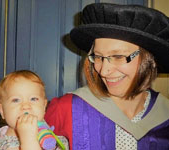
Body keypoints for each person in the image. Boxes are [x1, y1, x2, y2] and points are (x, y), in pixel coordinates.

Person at [45, 3, 169, 150]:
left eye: (118, 56)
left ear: (151, 60)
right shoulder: (65, 109)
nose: (103, 71)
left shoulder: (165, 114)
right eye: (98, 57)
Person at [0, 70, 69, 150]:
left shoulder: (41, 125)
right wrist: (28, 139)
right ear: (2, 110)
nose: (26, 106)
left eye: (33, 99)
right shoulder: (7, 145)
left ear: (44, 106)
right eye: (16, 100)